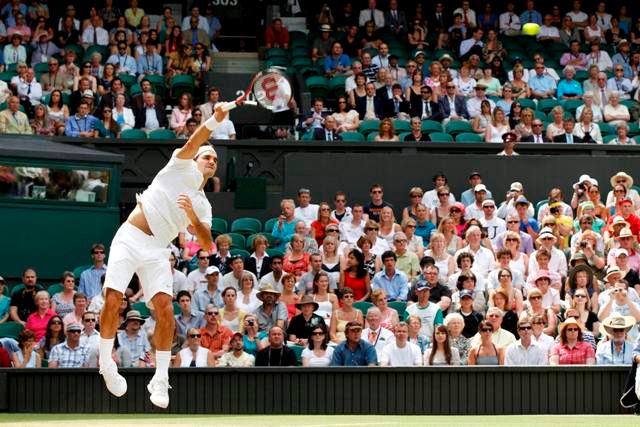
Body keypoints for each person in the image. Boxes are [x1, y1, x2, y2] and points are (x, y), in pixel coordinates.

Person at [98, 103, 229, 407]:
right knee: (114, 299)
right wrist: (214, 119)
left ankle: (160, 379)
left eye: (215, 159)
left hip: (158, 249)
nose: (211, 160)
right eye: (207, 156)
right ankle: (106, 364)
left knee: (165, 310)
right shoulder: (178, 165)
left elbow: (208, 243)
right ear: (195, 160)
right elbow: (193, 141)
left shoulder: (203, 204)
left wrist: (192, 219)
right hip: (130, 237)